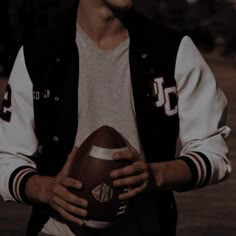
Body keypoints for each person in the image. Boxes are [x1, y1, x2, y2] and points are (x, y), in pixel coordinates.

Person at [0, 0, 232, 235]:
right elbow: (7, 159)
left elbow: (213, 153)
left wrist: (155, 175)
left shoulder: (173, 51)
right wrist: (46, 189)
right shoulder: (38, 55)